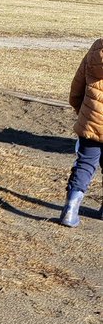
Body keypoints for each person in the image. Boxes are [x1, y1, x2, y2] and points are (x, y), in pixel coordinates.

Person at [59, 36, 103, 227]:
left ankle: (70, 209)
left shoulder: (96, 49)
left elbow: (77, 85)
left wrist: (82, 113)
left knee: (85, 163)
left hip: (91, 121)